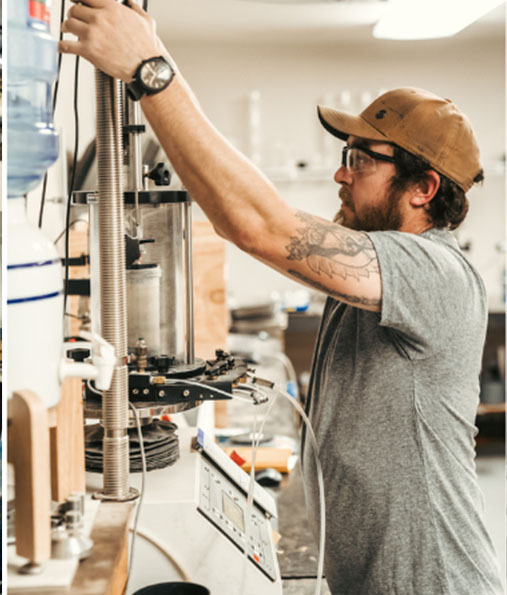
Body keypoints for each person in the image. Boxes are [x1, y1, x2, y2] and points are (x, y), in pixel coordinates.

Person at [59, 2, 504, 593]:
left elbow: (260, 225)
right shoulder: (380, 267)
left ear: (423, 188)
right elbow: (235, 220)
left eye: (360, 160)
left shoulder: (437, 272)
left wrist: (151, 70)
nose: (342, 175)